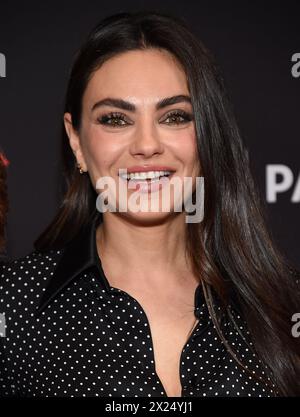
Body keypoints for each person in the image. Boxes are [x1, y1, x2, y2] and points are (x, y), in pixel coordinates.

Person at [0, 11, 299, 398]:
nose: (145, 144)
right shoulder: (14, 302)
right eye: (115, 119)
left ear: (207, 134)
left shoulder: (284, 302)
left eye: (174, 116)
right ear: (77, 142)